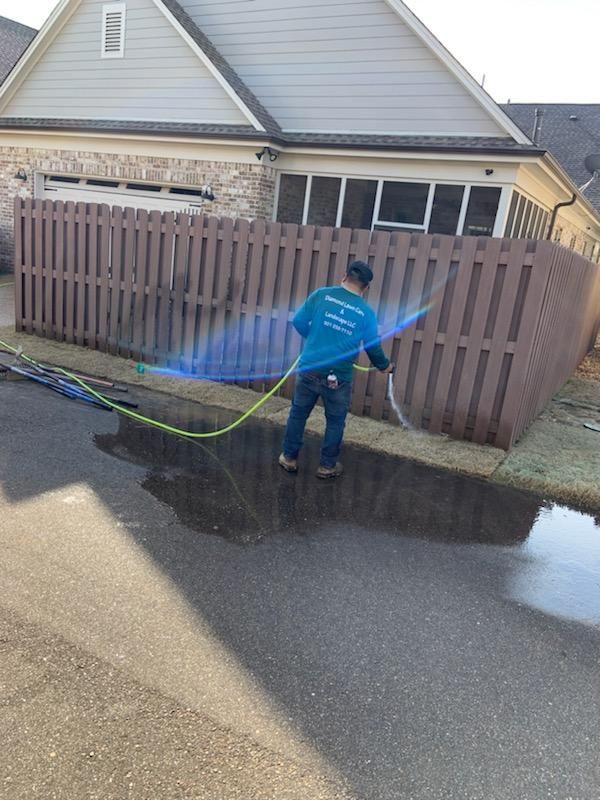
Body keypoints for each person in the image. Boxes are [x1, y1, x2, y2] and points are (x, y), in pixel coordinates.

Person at [279, 260, 394, 479]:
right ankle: (327, 466)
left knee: (298, 414)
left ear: (344, 277)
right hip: (338, 378)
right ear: (365, 288)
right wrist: (385, 366)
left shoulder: (322, 295)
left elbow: (299, 321)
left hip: (310, 368)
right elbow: (373, 347)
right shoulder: (366, 313)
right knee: (335, 422)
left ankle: (289, 458)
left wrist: (313, 339)